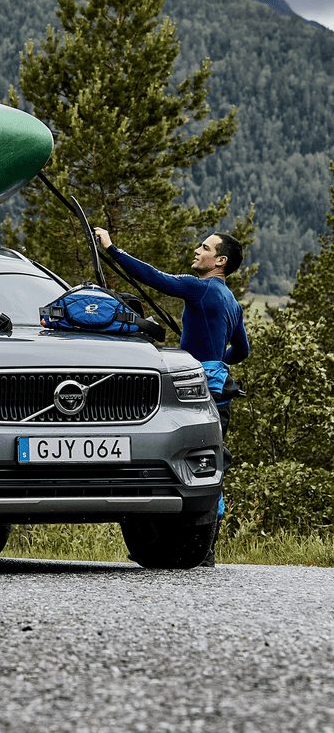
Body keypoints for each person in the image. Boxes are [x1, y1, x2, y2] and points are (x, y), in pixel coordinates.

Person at [93, 227, 249, 565]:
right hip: (219, 387)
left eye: (205, 248)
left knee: (177, 455)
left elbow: (155, 278)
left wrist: (112, 249)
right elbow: (242, 349)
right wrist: (217, 359)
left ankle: (194, 547)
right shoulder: (232, 303)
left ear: (219, 261)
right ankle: (204, 548)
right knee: (211, 460)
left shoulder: (200, 287)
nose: (197, 250)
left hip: (194, 384)